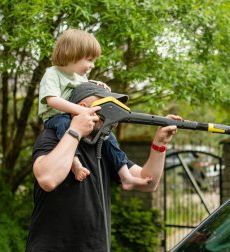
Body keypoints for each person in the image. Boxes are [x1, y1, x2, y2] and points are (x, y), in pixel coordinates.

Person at [26, 83, 181, 251]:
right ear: (82, 108)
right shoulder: (52, 137)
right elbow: (48, 179)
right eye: (106, 106)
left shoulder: (103, 144)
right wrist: (76, 131)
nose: (112, 114)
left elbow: (148, 182)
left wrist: (160, 144)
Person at [39, 28, 149, 189]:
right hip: (56, 117)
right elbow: (52, 100)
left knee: (107, 133)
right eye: (89, 60)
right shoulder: (52, 73)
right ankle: (75, 164)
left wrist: (96, 84)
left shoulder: (80, 76)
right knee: (65, 125)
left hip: (75, 116)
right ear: (72, 53)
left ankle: (125, 175)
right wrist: (81, 110)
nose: (92, 65)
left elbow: (84, 90)